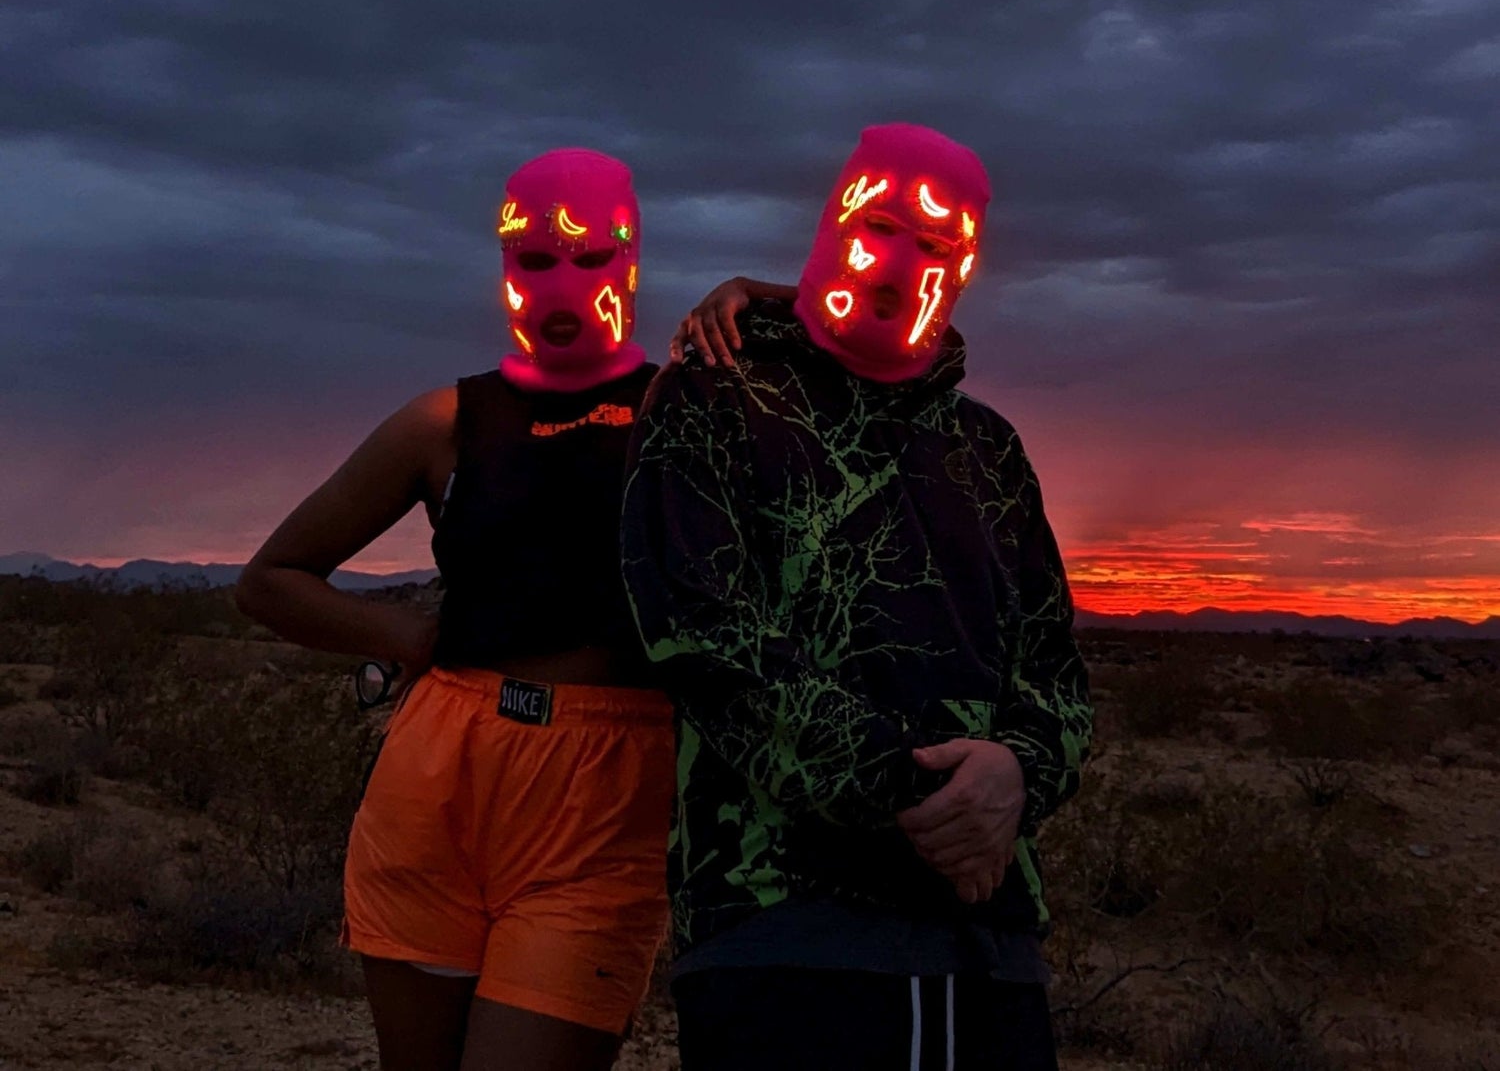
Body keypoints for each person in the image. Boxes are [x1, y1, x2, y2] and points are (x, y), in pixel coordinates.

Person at [235, 148, 777, 1071]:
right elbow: (272, 578)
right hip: (439, 780)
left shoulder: (682, 409)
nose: (563, 281)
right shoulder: (446, 420)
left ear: (632, 263)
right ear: (504, 265)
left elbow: (878, 331)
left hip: (607, 797)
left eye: (592, 256)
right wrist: (409, 637)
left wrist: (759, 295)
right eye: (534, 258)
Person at [621, 123, 1093, 1071]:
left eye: (938, 243)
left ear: (965, 267)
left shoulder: (990, 450)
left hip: (986, 935)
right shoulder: (716, 399)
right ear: (835, 220)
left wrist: (1017, 777)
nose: (901, 258)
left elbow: (1054, 676)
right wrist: (937, 806)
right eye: (883, 223)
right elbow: (703, 642)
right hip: (782, 918)